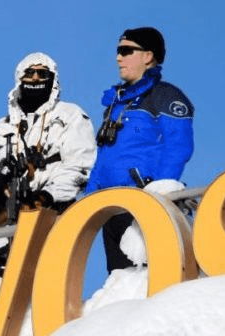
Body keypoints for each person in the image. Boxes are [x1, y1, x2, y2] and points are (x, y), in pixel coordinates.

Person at [0, 52, 96, 276]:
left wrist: (46, 196)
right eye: (30, 72)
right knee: (4, 288)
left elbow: (81, 166)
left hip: (52, 213)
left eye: (42, 73)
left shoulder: (70, 116)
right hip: (3, 222)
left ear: (53, 79)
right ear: (19, 77)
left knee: (48, 281)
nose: (36, 78)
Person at [84, 27, 194, 272]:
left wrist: (158, 193)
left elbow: (178, 146)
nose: (118, 58)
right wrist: (87, 202)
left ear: (147, 56)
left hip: (142, 204)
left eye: (126, 51)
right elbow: (104, 157)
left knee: (151, 280)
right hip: (109, 208)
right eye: (118, 51)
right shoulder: (116, 104)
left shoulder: (165, 96)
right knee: (121, 282)